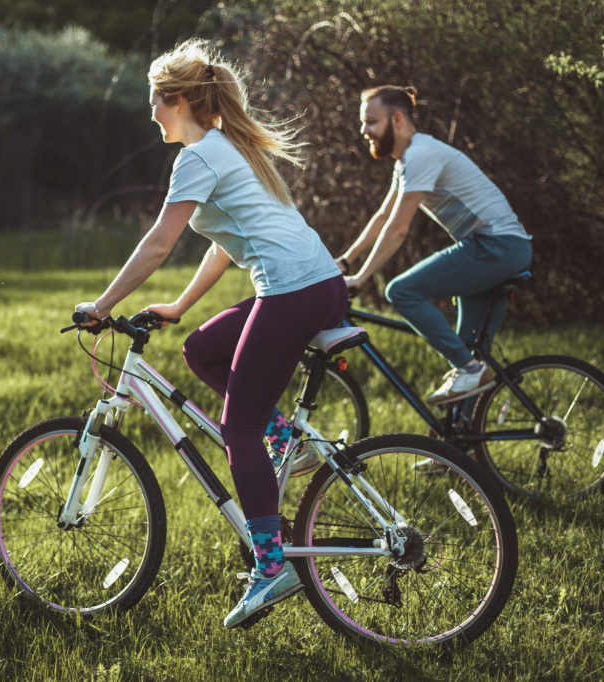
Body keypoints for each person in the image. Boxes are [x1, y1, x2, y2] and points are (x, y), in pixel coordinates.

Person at [73, 38, 347, 629]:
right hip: (319, 285)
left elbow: (158, 244)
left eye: (154, 101)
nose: (149, 113)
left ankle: (271, 568)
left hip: (292, 291)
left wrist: (101, 305)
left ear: (176, 100)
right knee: (201, 349)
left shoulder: (199, 156)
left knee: (236, 429)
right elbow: (224, 241)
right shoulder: (229, 146)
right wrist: (179, 305)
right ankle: (286, 440)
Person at [337, 85, 533, 406]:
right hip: (495, 248)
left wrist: (362, 278)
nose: (364, 131)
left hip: (496, 246)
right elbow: (384, 215)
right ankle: (460, 448)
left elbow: (398, 229)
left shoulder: (420, 155)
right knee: (468, 356)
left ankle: (469, 368)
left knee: (400, 291)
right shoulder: (408, 160)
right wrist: (346, 261)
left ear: (397, 119)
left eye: (371, 121)